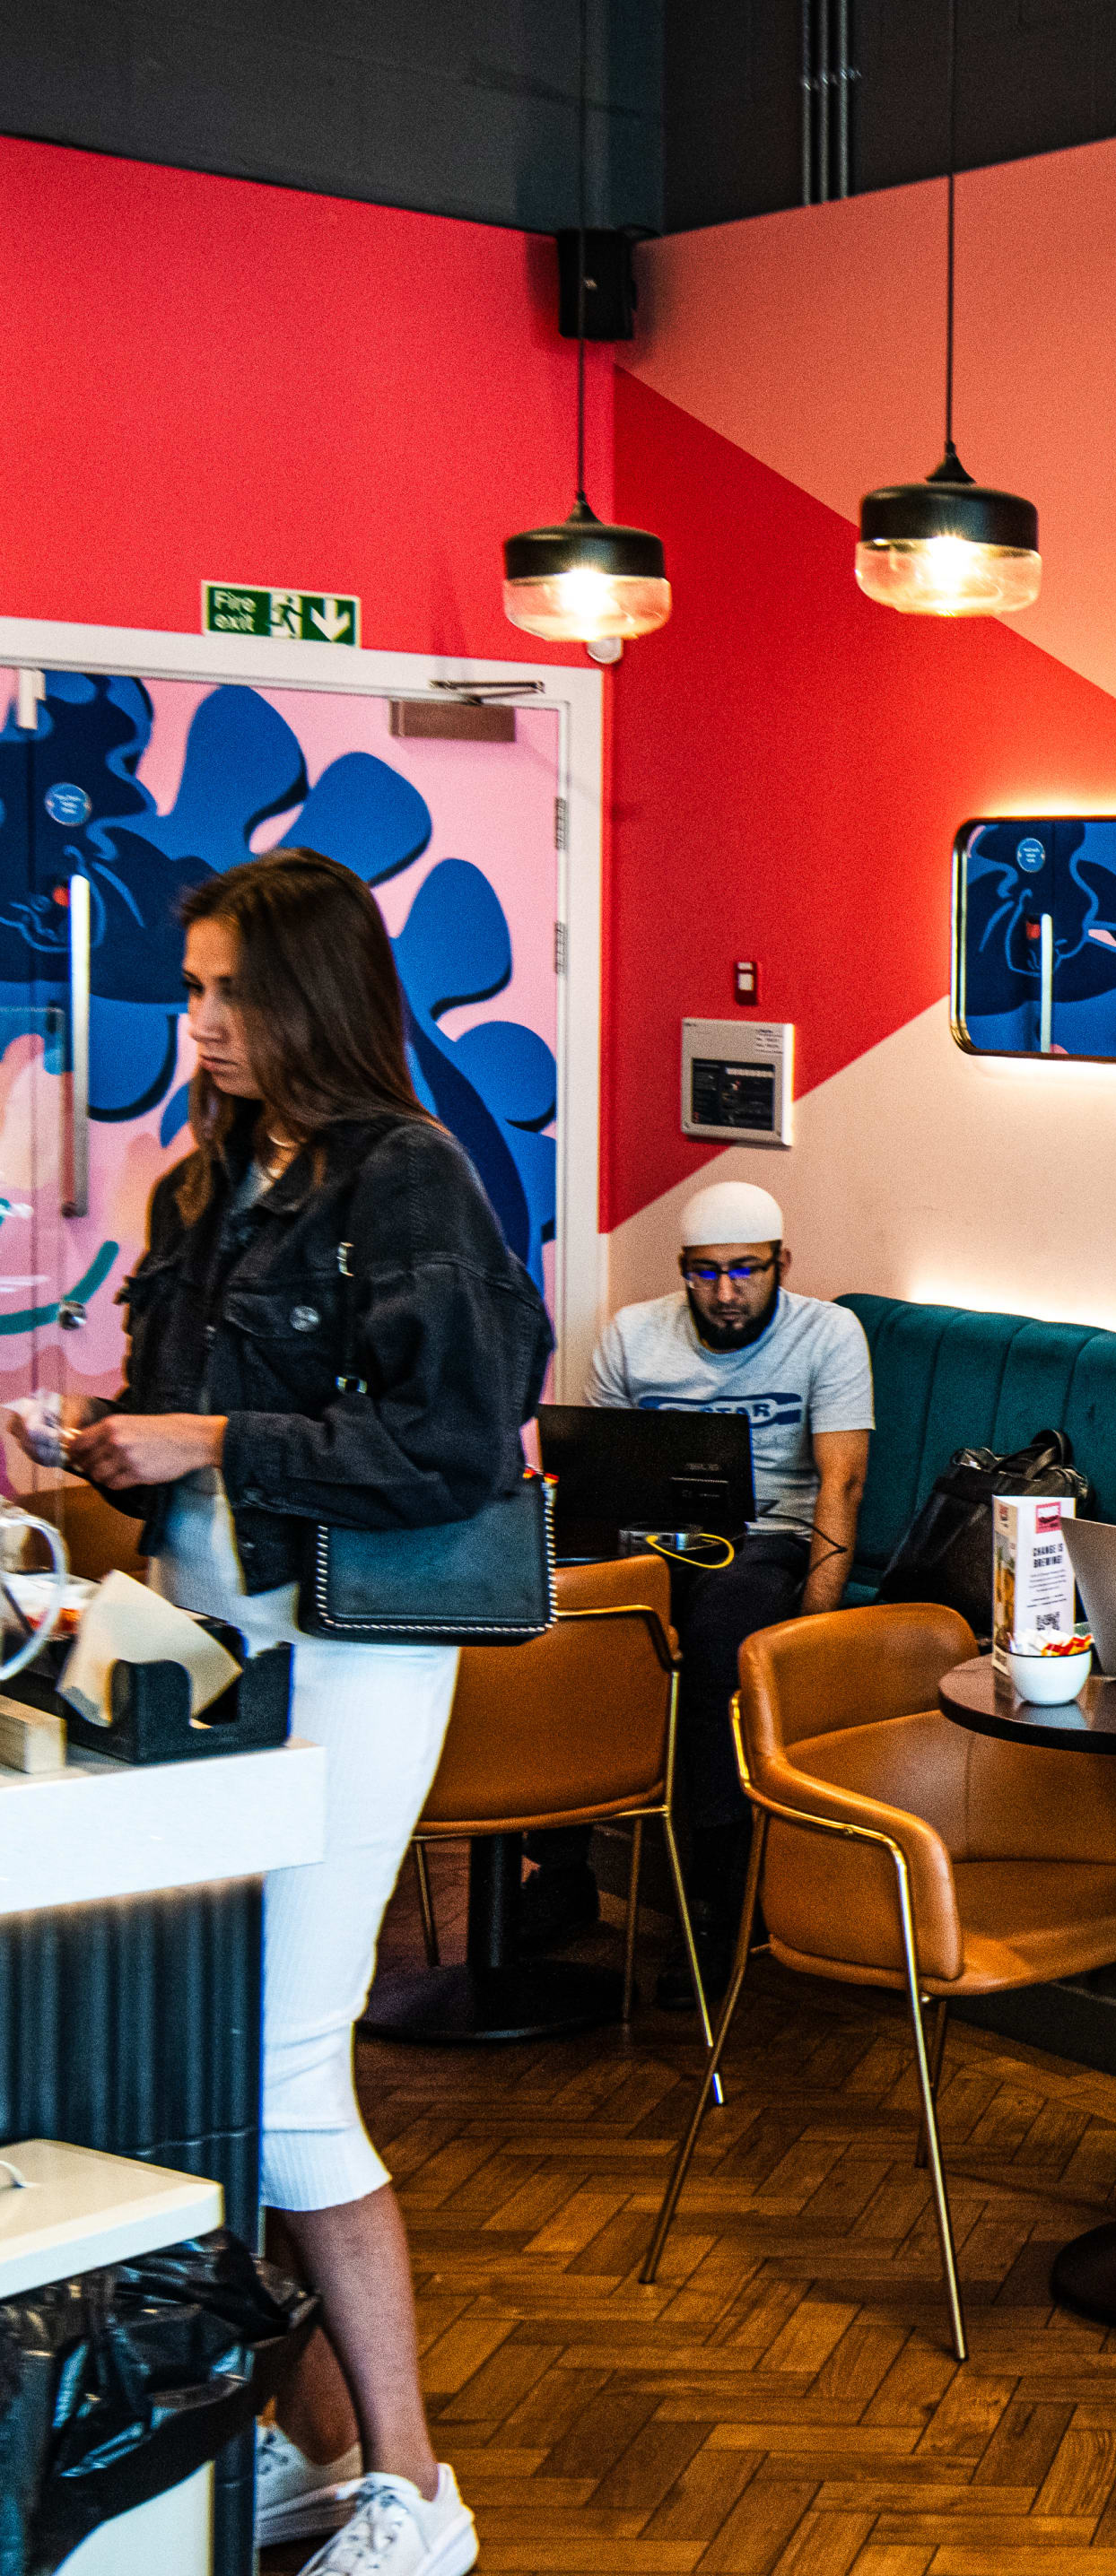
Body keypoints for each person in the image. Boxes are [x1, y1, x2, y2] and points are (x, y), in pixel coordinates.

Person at [31, 849, 552, 2576]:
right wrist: (99, 1434)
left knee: (286, 2070)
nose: (197, 1024)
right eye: (186, 991)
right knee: (206, 2061)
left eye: (223, 993)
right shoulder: (202, 1190)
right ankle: (305, 2454)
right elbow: (181, 1422)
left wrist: (225, 1445)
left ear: (310, 996)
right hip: (196, 1641)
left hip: (353, 1651)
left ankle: (415, 2489)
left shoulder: (408, 1181)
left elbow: (460, 1445)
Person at [560, 1179, 871, 1962]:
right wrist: (587, 1578)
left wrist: (814, 1621)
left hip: (770, 1539)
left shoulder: (829, 1334)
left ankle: (722, 1900)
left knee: (719, 1636)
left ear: (781, 1263)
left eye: (746, 1270)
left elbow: (842, 1481)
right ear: (682, 1268)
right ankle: (561, 1874)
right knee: (571, 1632)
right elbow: (595, 1476)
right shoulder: (633, 1336)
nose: (726, 1292)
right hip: (655, 1540)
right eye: (705, 1273)